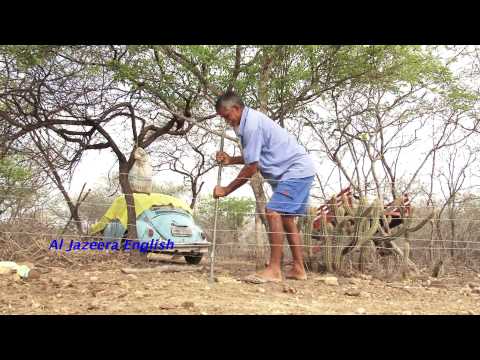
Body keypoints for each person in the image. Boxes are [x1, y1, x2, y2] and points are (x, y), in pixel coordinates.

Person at [213, 91, 316, 282]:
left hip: (295, 170)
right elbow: (255, 156)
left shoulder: (251, 125)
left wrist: (226, 189)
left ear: (236, 108)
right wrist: (231, 160)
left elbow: (252, 167)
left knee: (273, 211)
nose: (226, 121)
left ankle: (274, 270)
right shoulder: (247, 122)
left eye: (227, 116)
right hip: (296, 172)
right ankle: (299, 269)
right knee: (286, 219)